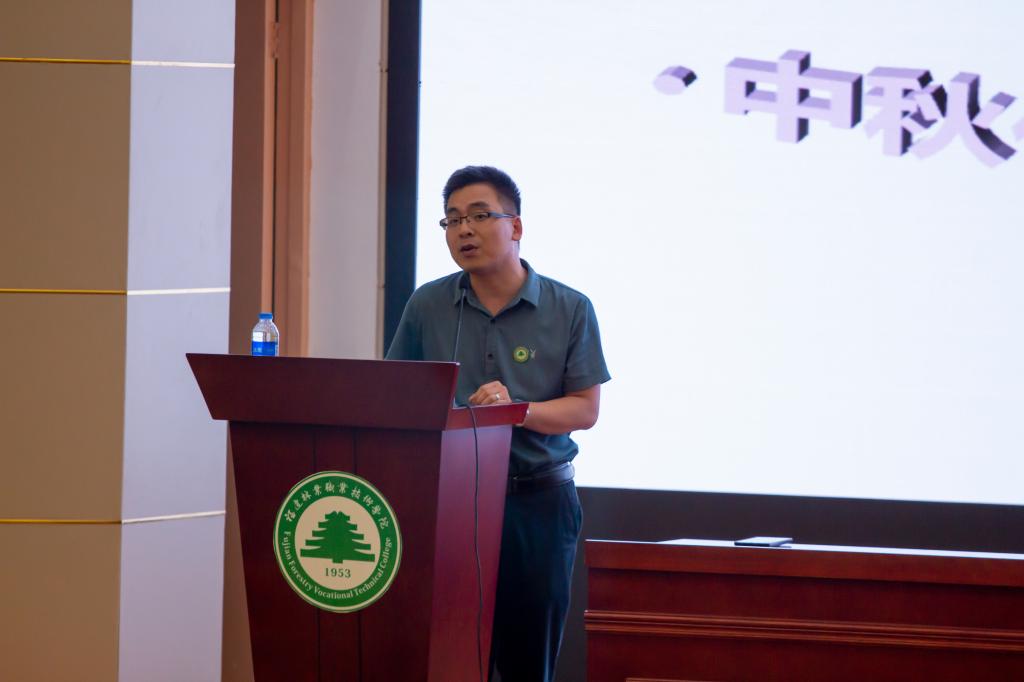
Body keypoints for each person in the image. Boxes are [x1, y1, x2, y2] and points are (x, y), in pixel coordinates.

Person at [386, 165, 610, 681]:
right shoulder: (428, 305)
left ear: (516, 227)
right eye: (452, 220)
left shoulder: (570, 308)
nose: (464, 230)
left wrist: (517, 410)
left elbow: (585, 409)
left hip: (537, 504)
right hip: (449, 503)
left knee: (528, 660)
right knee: (448, 658)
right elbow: (397, 396)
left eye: (480, 216)